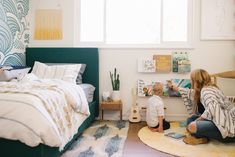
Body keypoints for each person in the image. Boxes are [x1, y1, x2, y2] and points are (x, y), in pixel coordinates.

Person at [168, 69, 235, 145]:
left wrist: (197, 120)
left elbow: (213, 109)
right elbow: (189, 92)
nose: (191, 82)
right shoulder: (208, 88)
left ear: (196, 81)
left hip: (228, 130)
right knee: (191, 119)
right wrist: (173, 87)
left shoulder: (206, 91)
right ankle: (202, 138)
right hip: (222, 121)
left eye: (192, 80)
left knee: (192, 125)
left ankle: (200, 138)